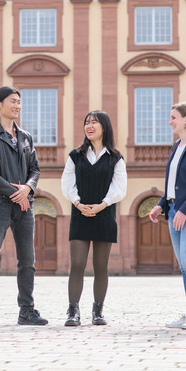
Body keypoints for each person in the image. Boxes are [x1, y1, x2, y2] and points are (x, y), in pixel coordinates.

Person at [0, 86, 47, 327]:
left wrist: (28, 188)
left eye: (19, 102)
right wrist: (17, 192)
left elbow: (35, 169)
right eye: (12, 101)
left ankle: (27, 310)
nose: (17, 106)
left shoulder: (25, 136)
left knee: (27, 260)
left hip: (25, 205)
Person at [61, 110, 126, 326]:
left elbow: (119, 188)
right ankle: (73, 311)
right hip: (80, 214)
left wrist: (101, 205)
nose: (89, 126)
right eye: (87, 122)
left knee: (101, 266)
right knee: (77, 264)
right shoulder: (75, 155)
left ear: (104, 127)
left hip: (104, 215)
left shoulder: (116, 158)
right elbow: (67, 183)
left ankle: (98, 311)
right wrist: (78, 203)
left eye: (94, 122)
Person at [148, 102, 186, 330]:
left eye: (173, 117)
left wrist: (184, 210)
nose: (170, 121)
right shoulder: (176, 146)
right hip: (173, 210)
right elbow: (173, 184)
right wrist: (161, 205)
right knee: (183, 264)